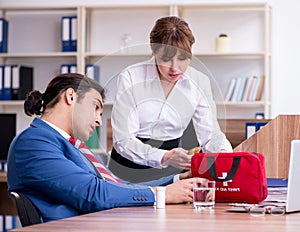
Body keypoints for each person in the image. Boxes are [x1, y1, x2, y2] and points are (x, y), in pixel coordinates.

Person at [7, 73, 205, 222]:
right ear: (71, 96)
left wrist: (177, 180)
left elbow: (117, 186)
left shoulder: (74, 146)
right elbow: (94, 194)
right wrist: (162, 195)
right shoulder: (33, 143)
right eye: (96, 108)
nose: (99, 121)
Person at [109, 16, 232, 182]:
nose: (175, 68)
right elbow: (123, 140)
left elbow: (210, 135)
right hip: (128, 168)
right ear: (154, 51)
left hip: (172, 169)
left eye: (182, 58)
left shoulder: (199, 82)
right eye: (166, 59)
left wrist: (224, 156)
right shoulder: (130, 77)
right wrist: (164, 156)